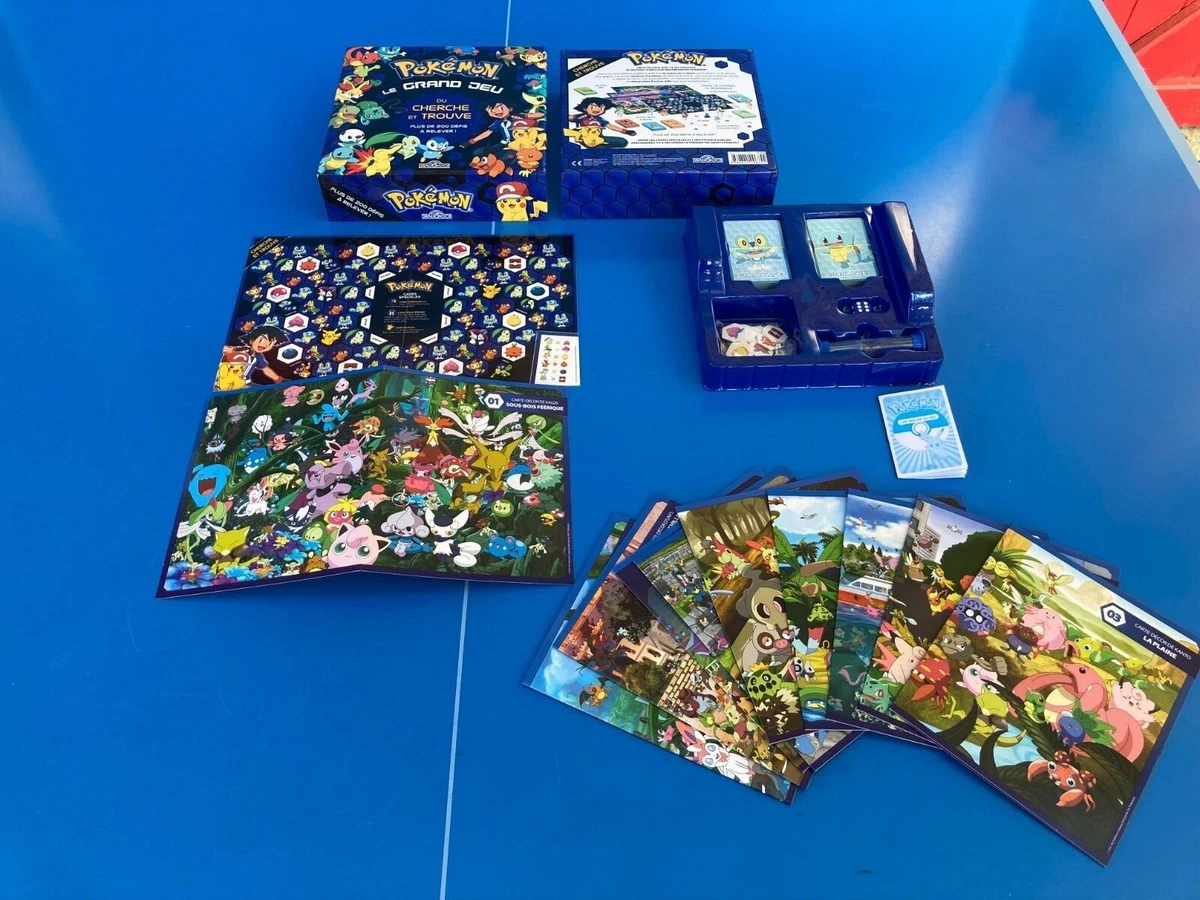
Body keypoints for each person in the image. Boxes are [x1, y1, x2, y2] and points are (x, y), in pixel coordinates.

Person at [569, 97, 636, 147]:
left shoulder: (599, 118)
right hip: (586, 139)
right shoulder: (581, 117)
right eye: (593, 107)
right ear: (585, 109)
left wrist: (626, 131)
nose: (597, 109)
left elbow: (610, 126)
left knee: (623, 142)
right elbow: (570, 118)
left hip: (599, 137)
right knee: (599, 148)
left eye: (601, 107)